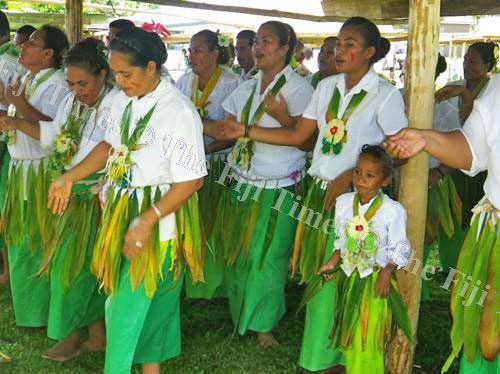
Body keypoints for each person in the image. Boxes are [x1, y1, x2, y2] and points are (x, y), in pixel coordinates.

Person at [216, 16, 407, 371]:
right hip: (321, 192)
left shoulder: (385, 94)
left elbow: (399, 151)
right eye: (338, 42)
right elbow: (299, 136)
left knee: (356, 274)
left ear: (369, 52)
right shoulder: (327, 87)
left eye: (350, 44)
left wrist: (353, 173)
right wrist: (245, 129)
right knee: (324, 272)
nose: (339, 49)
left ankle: (349, 354)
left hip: (360, 200)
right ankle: (322, 355)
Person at [47, 28, 206, 374]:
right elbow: (110, 146)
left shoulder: (178, 112)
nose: (120, 81)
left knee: (124, 305)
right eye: (116, 73)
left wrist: (147, 219)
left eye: (127, 74)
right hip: (123, 206)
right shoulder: (121, 100)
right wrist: (71, 175)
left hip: (158, 212)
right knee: (149, 299)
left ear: (152, 68)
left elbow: (192, 179)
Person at [1, 38, 116, 361]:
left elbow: (107, 149)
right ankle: (89, 334)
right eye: (71, 83)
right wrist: (15, 123)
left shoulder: (115, 104)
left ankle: (80, 335)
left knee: (83, 267)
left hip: (96, 197)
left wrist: (71, 177)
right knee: (72, 266)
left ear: (103, 75)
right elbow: (57, 135)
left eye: (83, 83)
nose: (77, 90)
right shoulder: (72, 103)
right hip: (72, 193)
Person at [384, 75, 500, 374]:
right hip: (495, 230)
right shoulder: (499, 86)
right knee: (486, 333)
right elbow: (472, 151)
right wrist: (426, 139)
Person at [209, 20, 314, 348]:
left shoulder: (299, 88)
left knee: (269, 256)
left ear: (285, 49)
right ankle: (242, 316)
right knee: (239, 252)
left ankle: (264, 324)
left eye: (267, 41)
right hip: (242, 181)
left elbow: (306, 142)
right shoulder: (249, 84)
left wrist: (281, 118)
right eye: (256, 40)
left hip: (277, 185)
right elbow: (227, 127)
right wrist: (194, 126)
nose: (258, 46)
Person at [317, 144, 412, 374]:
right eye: (357, 172)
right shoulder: (344, 203)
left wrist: (387, 272)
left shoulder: (391, 210)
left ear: (385, 180)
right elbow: (341, 241)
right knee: (351, 328)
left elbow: (400, 247)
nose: (361, 179)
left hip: (375, 278)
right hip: (351, 276)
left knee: (368, 334)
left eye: (370, 175)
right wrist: (333, 261)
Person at [0, 25, 69, 328]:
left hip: (41, 169)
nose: (24, 47)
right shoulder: (27, 77)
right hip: (20, 167)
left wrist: (19, 107)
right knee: (21, 237)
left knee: (40, 238)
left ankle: (43, 311)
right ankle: (28, 310)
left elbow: (57, 129)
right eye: (25, 44)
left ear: (48, 54)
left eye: (32, 44)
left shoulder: (58, 83)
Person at [176, 29, 239, 300]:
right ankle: (191, 278)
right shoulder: (183, 81)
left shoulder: (231, 83)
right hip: (187, 162)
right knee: (192, 220)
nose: (192, 56)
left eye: (198, 50)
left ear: (215, 53)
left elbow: (232, 130)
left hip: (217, 162)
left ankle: (213, 285)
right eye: (190, 50)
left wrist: (209, 149)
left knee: (214, 222)